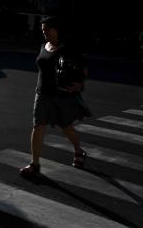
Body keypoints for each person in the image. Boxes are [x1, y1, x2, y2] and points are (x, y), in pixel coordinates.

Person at [19, 16, 92, 176]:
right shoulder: (43, 46)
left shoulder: (69, 47)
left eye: (47, 29)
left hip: (62, 95)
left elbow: (83, 70)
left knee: (66, 127)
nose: (44, 33)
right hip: (42, 94)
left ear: (56, 29)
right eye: (43, 30)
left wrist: (80, 84)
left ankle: (79, 151)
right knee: (38, 126)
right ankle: (35, 164)